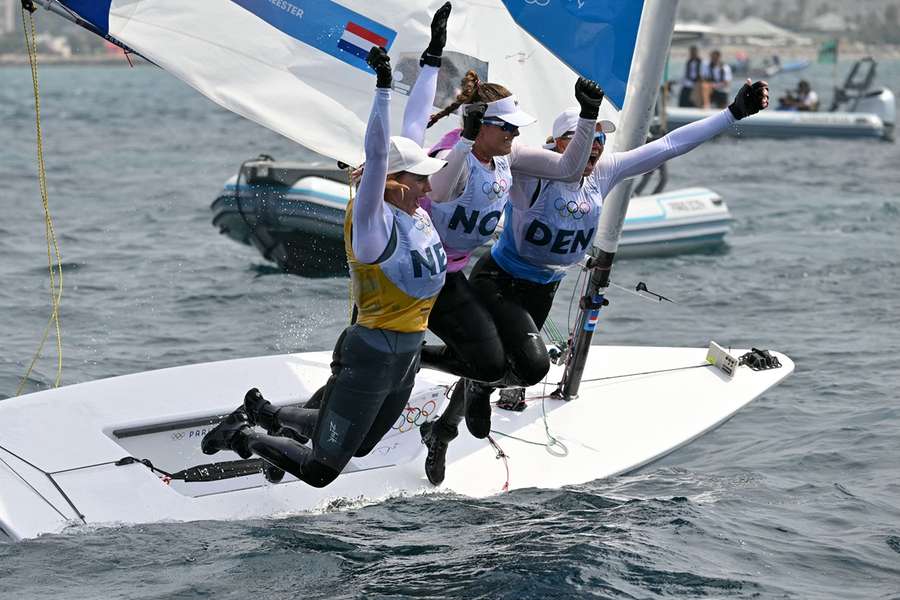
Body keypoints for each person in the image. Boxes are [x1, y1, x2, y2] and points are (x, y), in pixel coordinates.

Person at [420, 79, 771, 485]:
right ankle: (465, 387)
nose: (596, 145)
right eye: (584, 136)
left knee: (497, 364)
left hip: (543, 287)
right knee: (524, 366)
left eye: (602, 136)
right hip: (499, 280)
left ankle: (442, 431)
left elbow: (669, 146)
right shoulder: (532, 169)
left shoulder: (605, 171)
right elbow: (476, 158)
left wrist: (731, 114)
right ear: (556, 144)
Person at [200, 7, 453, 488]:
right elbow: (380, 153)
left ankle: (269, 413)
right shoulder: (373, 221)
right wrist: (381, 87)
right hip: (371, 349)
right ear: (393, 183)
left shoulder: (411, 208)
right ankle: (245, 435)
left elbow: (414, 128)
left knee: (359, 443)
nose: (429, 188)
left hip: (407, 352)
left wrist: (432, 59)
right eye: (420, 180)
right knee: (321, 470)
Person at [413, 71, 603, 482]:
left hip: (458, 273)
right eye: (509, 125)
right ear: (481, 124)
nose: (516, 133)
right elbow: (438, 189)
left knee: (493, 362)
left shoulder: (508, 156)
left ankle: (442, 427)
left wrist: (590, 115)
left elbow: (571, 170)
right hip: (426, 274)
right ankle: (404, 367)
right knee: (483, 360)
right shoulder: (452, 152)